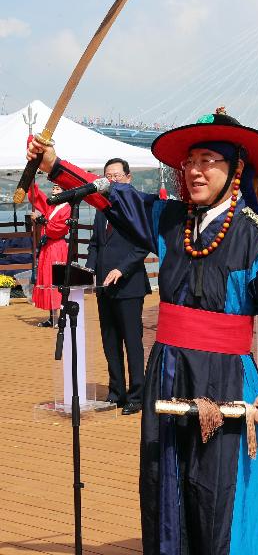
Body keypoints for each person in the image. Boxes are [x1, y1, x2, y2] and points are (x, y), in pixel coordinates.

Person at [27, 110, 258, 555]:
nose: (195, 170)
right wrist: (54, 165)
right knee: (164, 480)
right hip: (169, 369)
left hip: (227, 376)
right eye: (190, 160)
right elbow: (115, 199)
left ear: (235, 171)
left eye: (209, 160)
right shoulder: (168, 220)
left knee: (218, 486)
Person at [86, 158, 151, 415]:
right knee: (110, 341)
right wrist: (89, 269)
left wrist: (121, 270)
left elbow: (142, 245)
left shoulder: (136, 208)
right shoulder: (103, 208)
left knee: (132, 342)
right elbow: (94, 244)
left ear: (128, 177)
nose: (112, 180)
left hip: (129, 285)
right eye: (108, 176)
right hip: (104, 286)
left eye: (116, 176)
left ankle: (137, 395)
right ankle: (116, 392)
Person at [28, 182, 71, 327]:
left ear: (65, 191)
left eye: (58, 187)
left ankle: (61, 317)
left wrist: (41, 220)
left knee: (56, 280)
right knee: (47, 280)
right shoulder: (52, 206)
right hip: (48, 247)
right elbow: (38, 199)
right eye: (53, 187)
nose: (54, 189)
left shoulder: (67, 208)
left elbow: (60, 228)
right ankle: (52, 318)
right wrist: (32, 186)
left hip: (57, 247)